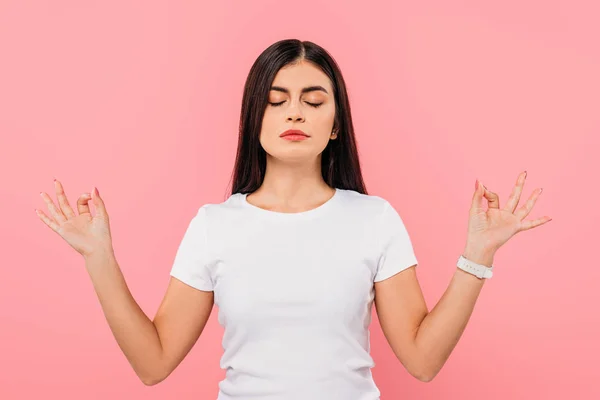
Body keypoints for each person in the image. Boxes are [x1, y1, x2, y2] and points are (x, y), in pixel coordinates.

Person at [36, 39, 551, 399]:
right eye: (276, 101)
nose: (295, 113)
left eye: (313, 100)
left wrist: (477, 254)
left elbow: (422, 361)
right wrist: (98, 256)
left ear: (334, 126)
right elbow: (153, 364)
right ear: (254, 120)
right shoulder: (214, 225)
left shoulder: (375, 220)